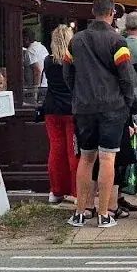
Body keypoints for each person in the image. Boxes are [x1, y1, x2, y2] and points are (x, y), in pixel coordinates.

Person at [64, 0, 137, 229]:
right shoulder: (118, 42)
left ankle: (79, 212)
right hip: (112, 107)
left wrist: (78, 93)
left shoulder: (75, 41)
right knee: (108, 157)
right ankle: (105, 214)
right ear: (112, 13)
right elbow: (126, 77)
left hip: (84, 107)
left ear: (92, 12)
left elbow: (67, 73)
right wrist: (128, 104)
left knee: (86, 158)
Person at [43, 24, 78, 205]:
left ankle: (56, 190)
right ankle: (75, 191)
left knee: (56, 150)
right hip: (71, 110)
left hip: (52, 109)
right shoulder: (73, 61)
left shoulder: (48, 61)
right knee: (74, 151)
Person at [24, 28, 50, 103]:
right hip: (46, 85)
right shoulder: (41, 47)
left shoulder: (30, 50)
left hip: (39, 88)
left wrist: (35, 91)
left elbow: (37, 70)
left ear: (26, 38)